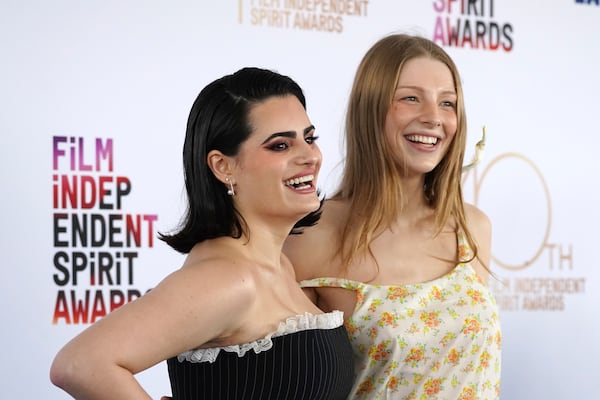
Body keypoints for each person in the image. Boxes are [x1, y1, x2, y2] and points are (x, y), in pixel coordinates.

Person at [50, 67, 355, 400]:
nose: (309, 156)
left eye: (309, 138)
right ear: (223, 167)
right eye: (280, 145)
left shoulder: (279, 267)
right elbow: (80, 363)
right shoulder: (227, 279)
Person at [283, 34, 502, 399]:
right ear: (370, 109)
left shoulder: (472, 227)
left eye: (448, 103)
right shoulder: (309, 236)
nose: (434, 118)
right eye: (410, 98)